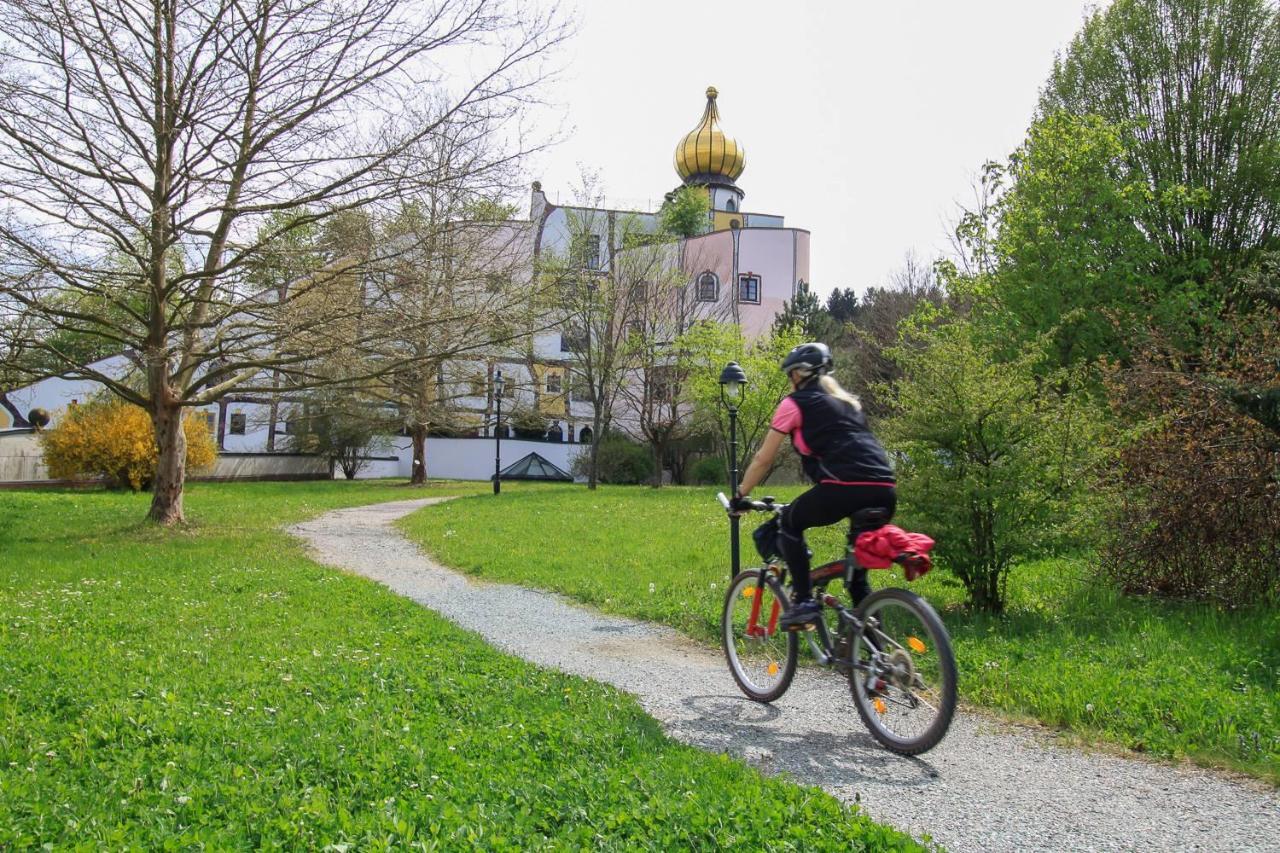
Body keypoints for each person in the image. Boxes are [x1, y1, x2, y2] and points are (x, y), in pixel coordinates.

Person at [730, 342, 896, 630]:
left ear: (797, 375)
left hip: (843, 487)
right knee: (857, 577)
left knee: (789, 523)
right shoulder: (849, 404)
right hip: (885, 489)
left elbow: (763, 459)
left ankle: (805, 601)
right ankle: (874, 660)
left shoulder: (794, 404)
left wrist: (740, 494)